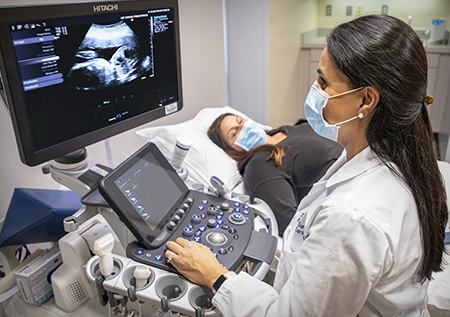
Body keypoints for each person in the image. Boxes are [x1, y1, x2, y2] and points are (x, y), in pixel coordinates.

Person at [166, 14, 449, 316]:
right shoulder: (396, 158)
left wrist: (215, 277)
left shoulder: (350, 218)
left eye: (324, 81)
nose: (314, 89)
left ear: (366, 101)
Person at [207, 114, 343, 234]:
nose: (244, 127)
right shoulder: (259, 165)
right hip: (350, 191)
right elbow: (290, 223)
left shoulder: (288, 130)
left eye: (240, 120)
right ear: (232, 150)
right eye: (235, 132)